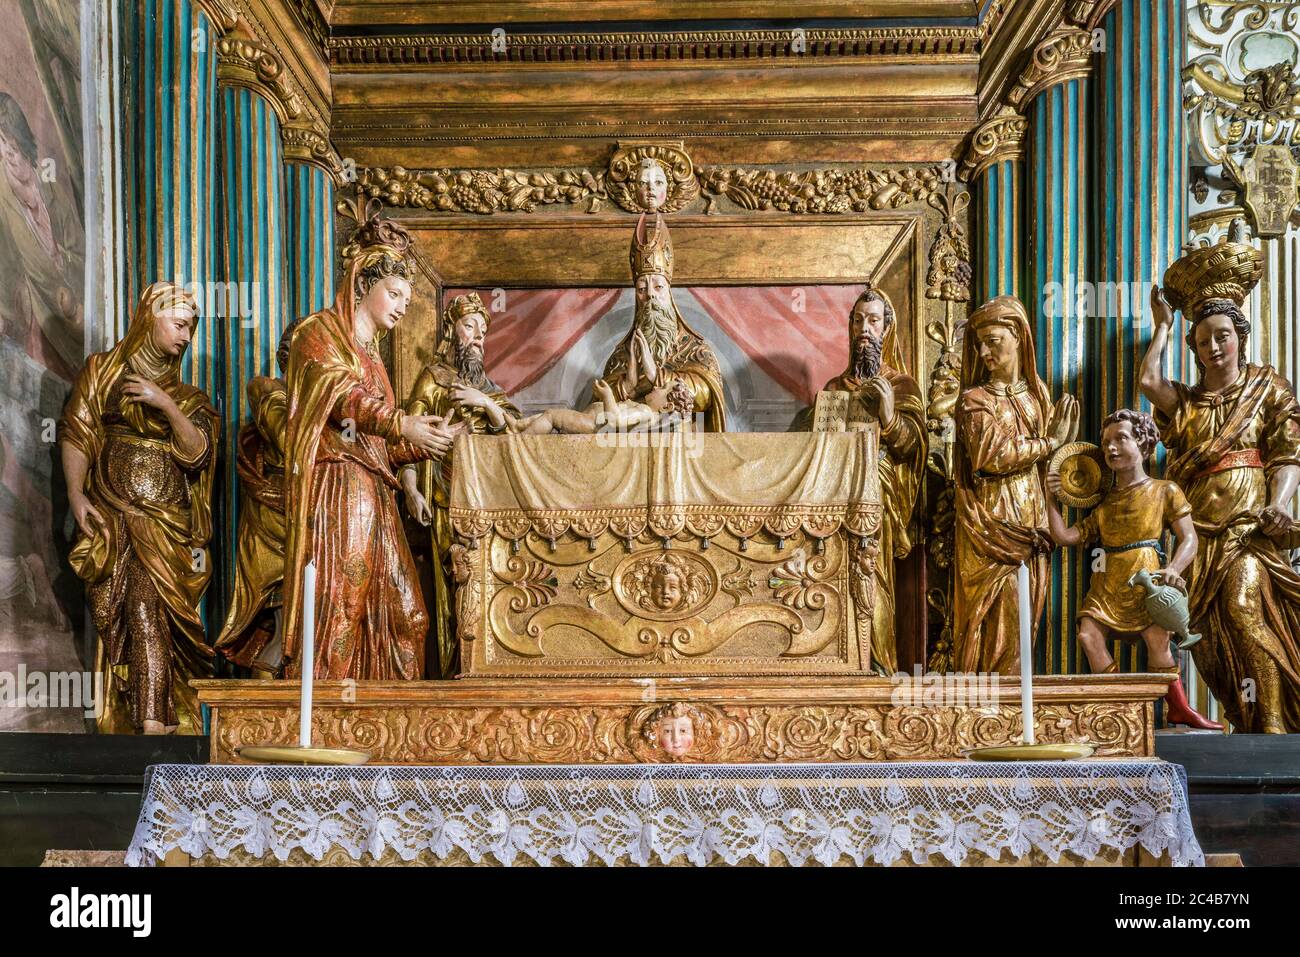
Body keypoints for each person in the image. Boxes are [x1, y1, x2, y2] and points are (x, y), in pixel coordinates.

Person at [281, 213, 449, 681]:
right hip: (338, 482)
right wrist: (401, 423)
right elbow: (338, 398)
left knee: (408, 616)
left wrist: (426, 442)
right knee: (341, 603)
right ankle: (324, 719)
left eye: (407, 300)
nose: (400, 308)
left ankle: (387, 723)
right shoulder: (319, 334)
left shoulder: (375, 360)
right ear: (362, 281)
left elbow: (380, 445)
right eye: (394, 294)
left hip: (375, 488)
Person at [1140, 271, 1300, 732]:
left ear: (1240, 338)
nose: (1213, 347)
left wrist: (1281, 504)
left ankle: (1273, 725)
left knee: (1244, 611)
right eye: (1204, 340)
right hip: (1198, 535)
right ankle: (1244, 717)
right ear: (1193, 348)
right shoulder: (1187, 402)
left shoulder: (1267, 388)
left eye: (1222, 337)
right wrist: (1165, 326)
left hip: (1247, 528)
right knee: (1207, 640)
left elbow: (1286, 454)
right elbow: (1149, 381)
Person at [59, 281, 217, 733]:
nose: (186, 337)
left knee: (149, 609)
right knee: (125, 617)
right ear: (150, 317)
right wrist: (75, 493)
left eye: (191, 329)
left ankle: (153, 721)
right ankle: (146, 717)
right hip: (112, 517)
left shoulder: (190, 399)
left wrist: (165, 403)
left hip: (164, 528)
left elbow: (197, 454)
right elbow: (78, 433)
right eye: (180, 325)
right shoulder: (103, 372)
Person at [1045, 409, 1221, 729]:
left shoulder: (1164, 490)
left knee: (1158, 642)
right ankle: (1120, 702)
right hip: (1108, 581)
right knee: (1088, 634)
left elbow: (1190, 538)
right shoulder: (1105, 503)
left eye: (1121, 439)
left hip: (1148, 578)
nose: (1111, 448)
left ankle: (1178, 708)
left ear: (1143, 443)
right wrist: (1051, 499)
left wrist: (1175, 569)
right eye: (1106, 442)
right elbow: (1065, 536)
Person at [800, 285, 926, 672]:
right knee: (836, 583)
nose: (864, 330)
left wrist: (888, 415)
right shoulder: (835, 389)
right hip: (836, 502)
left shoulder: (902, 386)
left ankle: (879, 664)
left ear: (886, 329)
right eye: (857, 321)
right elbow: (813, 448)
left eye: (873, 321)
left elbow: (913, 449)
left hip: (877, 500)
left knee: (873, 580)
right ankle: (842, 663)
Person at [952, 295, 1078, 674]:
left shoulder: (1038, 396)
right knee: (996, 615)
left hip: (1032, 526)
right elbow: (993, 456)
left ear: (1019, 337)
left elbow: (1052, 465)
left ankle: (1012, 707)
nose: (985, 351)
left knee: (1027, 615)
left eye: (994, 340)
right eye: (979, 344)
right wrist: (1049, 443)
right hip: (989, 526)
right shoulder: (974, 400)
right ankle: (988, 704)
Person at [399, 291, 519, 678]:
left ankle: (485, 667)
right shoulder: (434, 380)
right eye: (470, 327)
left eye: (484, 331)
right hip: (445, 498)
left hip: (489, 504)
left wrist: (486, 405)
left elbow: (516, 437)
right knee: (453, 583)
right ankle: (452, 668)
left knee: (489, 587)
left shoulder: (489, 389)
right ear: (453, 331)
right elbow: (408, 439)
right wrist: (411, 488)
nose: (479, 337)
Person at [600, 212, 726, 431]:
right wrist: (627, 385)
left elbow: (707, 394)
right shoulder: (623, 354)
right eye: (641, 289)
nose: (650, 295)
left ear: (669, 292)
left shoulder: (694, 348)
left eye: (658, 287)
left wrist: (656, 375)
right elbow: (602, 402)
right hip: (632, 445)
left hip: (683, 444)